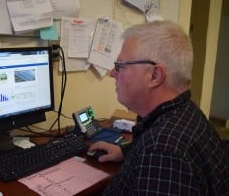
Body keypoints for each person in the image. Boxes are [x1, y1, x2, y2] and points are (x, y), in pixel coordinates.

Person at [89, 20, 229, 195]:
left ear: (155, 75)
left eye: (120, 66)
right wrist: (125, 151)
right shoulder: (184, 113)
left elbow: (161, 151)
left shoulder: (163, 152)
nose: (112, 73)